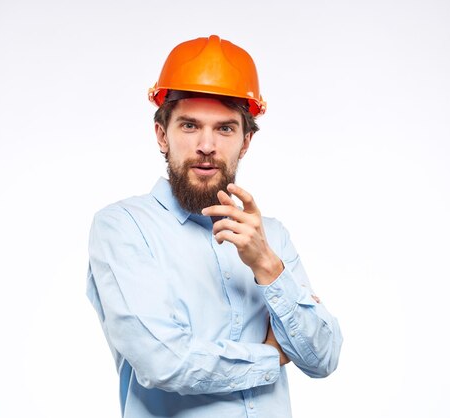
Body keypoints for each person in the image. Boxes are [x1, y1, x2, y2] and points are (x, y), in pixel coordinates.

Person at [86, 35, 342, 418]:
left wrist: (269, 269)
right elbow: (164, 361)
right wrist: (271, 356)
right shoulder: (123, 228)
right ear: (162, 135)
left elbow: (322, 357)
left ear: (245, 142)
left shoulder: (270, 238)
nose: (206, 145)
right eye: (190, 126)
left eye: (224, 129)